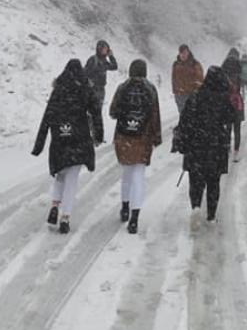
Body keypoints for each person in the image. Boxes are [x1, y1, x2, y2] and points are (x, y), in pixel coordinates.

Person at [32, 59, 102, 234]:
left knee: (60, 175)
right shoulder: (85, 89)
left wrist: (39, 144)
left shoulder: (58, 89)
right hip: (79, 139)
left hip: (60, 139)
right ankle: (65, 217)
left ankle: (55, 205)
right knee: (72, 180)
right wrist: (98, 134)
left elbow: (47, 116)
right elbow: (96, 112)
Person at [177, 66, 237, 229]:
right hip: (216, 146)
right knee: (213, 181)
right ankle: (211, 216)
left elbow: (184, 121)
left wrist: (183, 142)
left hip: (196, 145)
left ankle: (196, 206)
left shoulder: (195, 97)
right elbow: (232, 116)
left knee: (195, 180)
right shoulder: (223, 99)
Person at [109, 59, 161, 234]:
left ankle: (124, 207)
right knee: (139, 175)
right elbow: (155, 116)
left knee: (127, 173)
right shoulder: (151, 89)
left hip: (124, 137)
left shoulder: (122, 88)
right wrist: (157, 137)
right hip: (143, 137)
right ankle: (134, 218)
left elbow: (113, 112)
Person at [84, 40, 118, 144]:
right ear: (99, 48)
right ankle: (91, 136)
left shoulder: (104, 61)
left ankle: (96, 137)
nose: (105, 51)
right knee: (93, 113)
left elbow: (114, 67)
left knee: (96, 113)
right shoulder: (93, 60)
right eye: (104, 49)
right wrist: (89, 83)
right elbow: (85, 73)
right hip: (92, 90)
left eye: (107, 49)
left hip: (101, 90)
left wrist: (111, 56)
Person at [222, 48, 245, 161]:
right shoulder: (238, 65)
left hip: (226, 101)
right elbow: (241, 82)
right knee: (237, 128)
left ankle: (227, 147)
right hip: (237, 101)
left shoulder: (224, 65)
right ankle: (236, 150)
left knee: (227, 127)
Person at [172, 44, 204, 115]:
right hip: (179, 95)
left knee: (192, 116)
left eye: (184, 53)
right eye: (181, 53)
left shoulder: (195, 64)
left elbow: (200, 80)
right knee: (182, 115)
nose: (183, 55)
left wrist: (196, 92)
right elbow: (173, 78)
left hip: (191, 95)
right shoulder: (176, 64)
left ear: (188, 52)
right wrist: (175, 91)